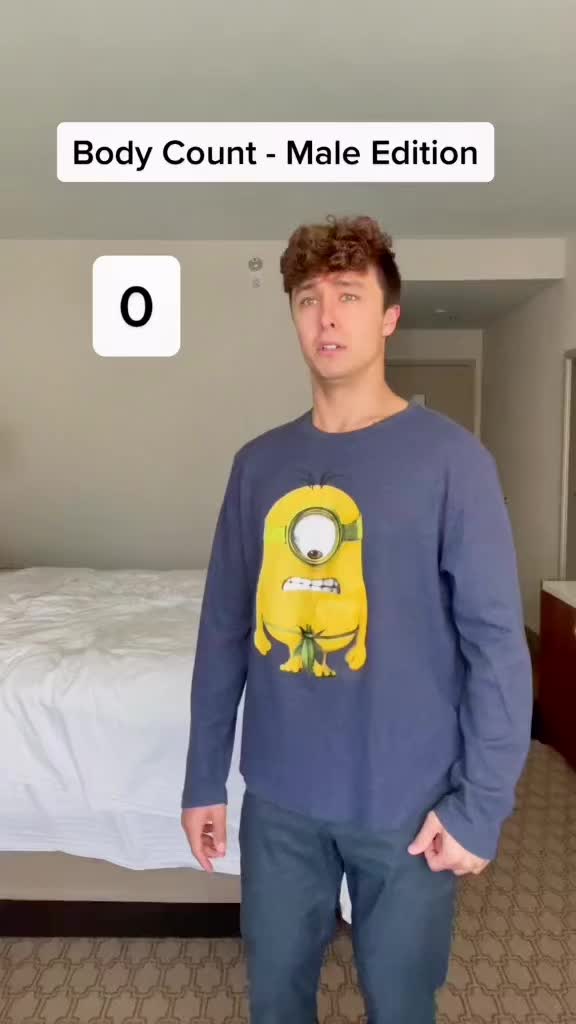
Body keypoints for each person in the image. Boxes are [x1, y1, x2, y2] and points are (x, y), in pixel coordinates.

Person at [181, 215, 533, 1024]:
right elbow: (224, 628)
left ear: (389, 317)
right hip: (280, 798)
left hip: (408, 799)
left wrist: (480, 806)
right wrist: (204, 777)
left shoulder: (452, 461)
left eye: (348, 295)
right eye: (308, 299)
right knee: (275, 999)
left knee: (402, 1002)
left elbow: (496, 648)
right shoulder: (258, 465)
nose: (327, 316)